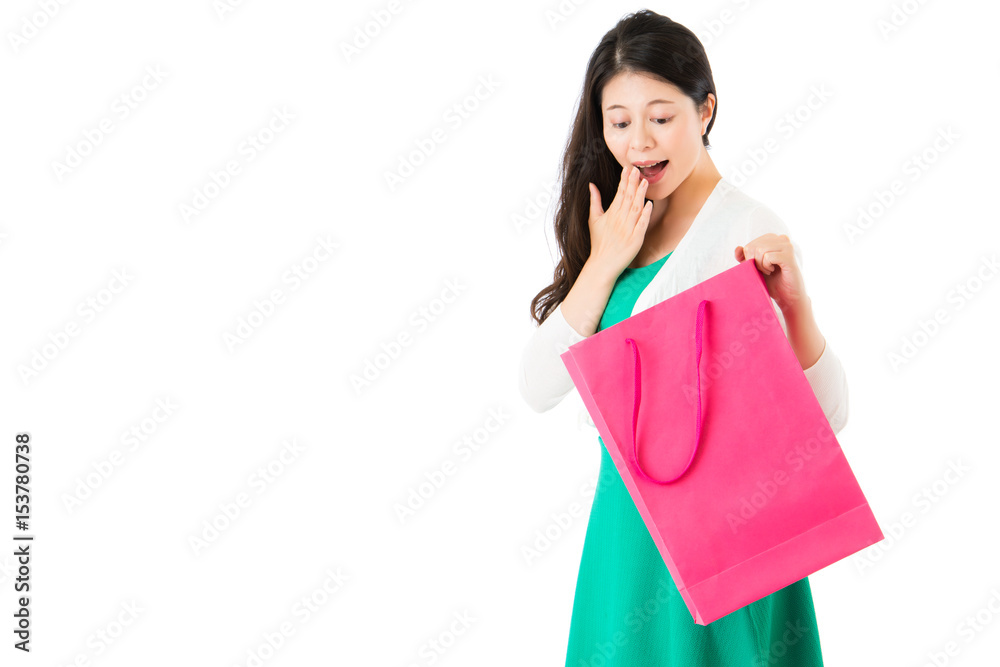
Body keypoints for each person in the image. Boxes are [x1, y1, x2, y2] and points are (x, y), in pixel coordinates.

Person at [517, 9, 849, 666]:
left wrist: (796, 304)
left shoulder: (745, 224)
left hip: (724, 530)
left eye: (660, 117)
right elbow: (537, 386)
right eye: (619, 122)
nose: (638, 142)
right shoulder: (615, 219)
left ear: (706, 111)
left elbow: (828, 418)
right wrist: (605, 259)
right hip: (627, 528)